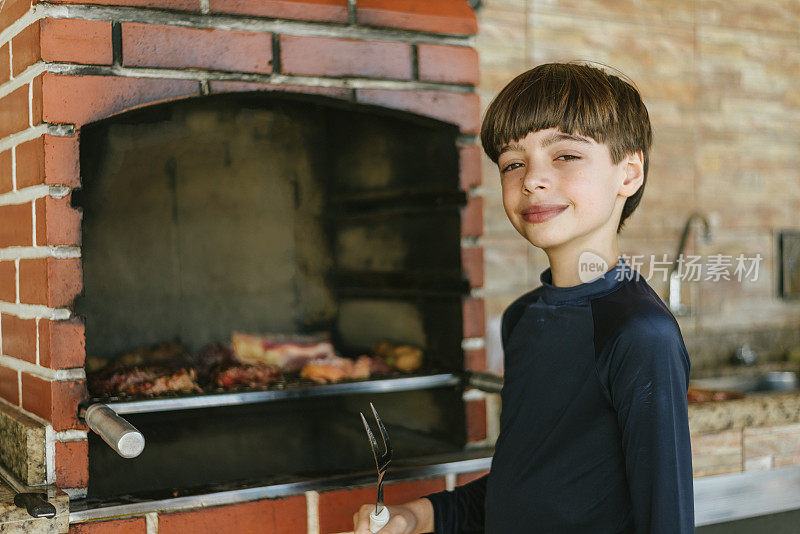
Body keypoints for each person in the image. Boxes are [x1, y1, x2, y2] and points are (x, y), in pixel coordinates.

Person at [353, 61, 695, 533]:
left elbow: (667, 521)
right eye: (513, 163)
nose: (532, 178)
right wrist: (419, 515)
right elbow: (527, 490)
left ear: (628, 173)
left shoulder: (641, 334)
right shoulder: (522, 318)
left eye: (565, 156)